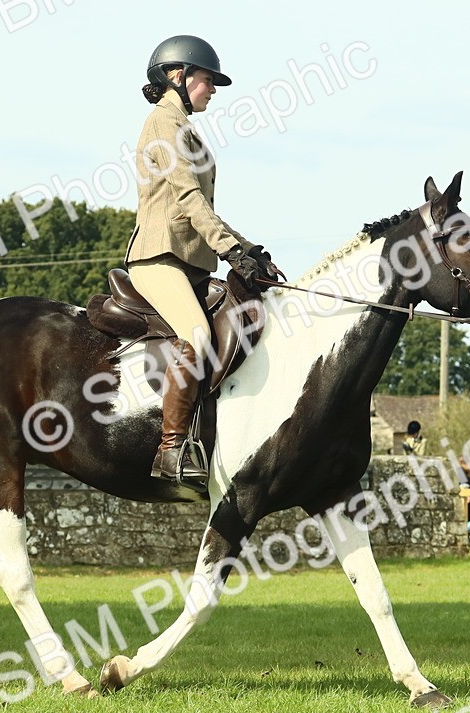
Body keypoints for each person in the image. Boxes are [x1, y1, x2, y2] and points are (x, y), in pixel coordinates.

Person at [125, 34, 281, 487]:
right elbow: (189, 199)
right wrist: (229, 251)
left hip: (191, 262)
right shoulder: (162, 123)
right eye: (207, 79)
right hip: (159, 258)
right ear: (178, 76)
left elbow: (205, 210)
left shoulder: (185, 127)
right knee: (196, 333)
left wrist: (250, 251)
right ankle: (170, 450)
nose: (212, 89)